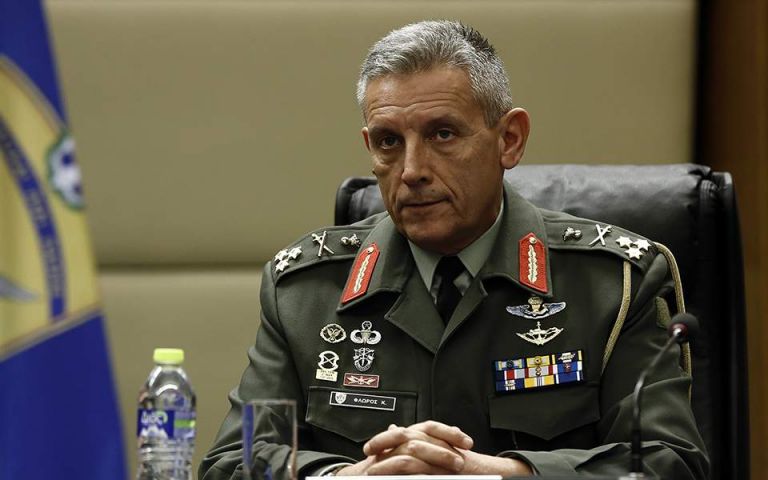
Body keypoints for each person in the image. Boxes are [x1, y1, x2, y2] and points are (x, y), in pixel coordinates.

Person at [200, 20, 708, 479]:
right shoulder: (304, 291)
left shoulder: (615, 283)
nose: (412, 170)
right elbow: (234, 462)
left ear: (509, 140)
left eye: (442, 134)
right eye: (389, 141)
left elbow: (669, 462)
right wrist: (344, 478)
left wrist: (498, 474)